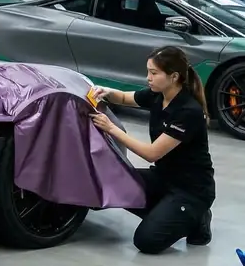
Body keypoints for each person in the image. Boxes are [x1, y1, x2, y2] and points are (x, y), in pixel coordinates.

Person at [89, 45, 216, 254]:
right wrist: (107, 92)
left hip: (191, 190)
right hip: (164, 177)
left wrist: (111, 128)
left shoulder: (188, 111)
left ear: (174, 76)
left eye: (154, 73)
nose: (148, 78)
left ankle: (196, 219)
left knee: (146, 241)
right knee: (112, 184)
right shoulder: (157, 95)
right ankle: (169, 214)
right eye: (148, 71)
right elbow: (124, 98)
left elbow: (151, 153)